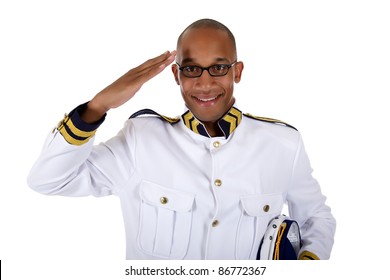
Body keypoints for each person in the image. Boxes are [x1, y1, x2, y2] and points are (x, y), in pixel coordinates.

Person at [27, 18, 336, 260]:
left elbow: (316, 218)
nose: (204, 83)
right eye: (191, 69)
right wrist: (98, 106)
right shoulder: (141, 140)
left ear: (237, 71)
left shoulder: (282, 144)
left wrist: (308, 260)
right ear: (176, 75)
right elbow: (48, 180)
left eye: (218, 68)